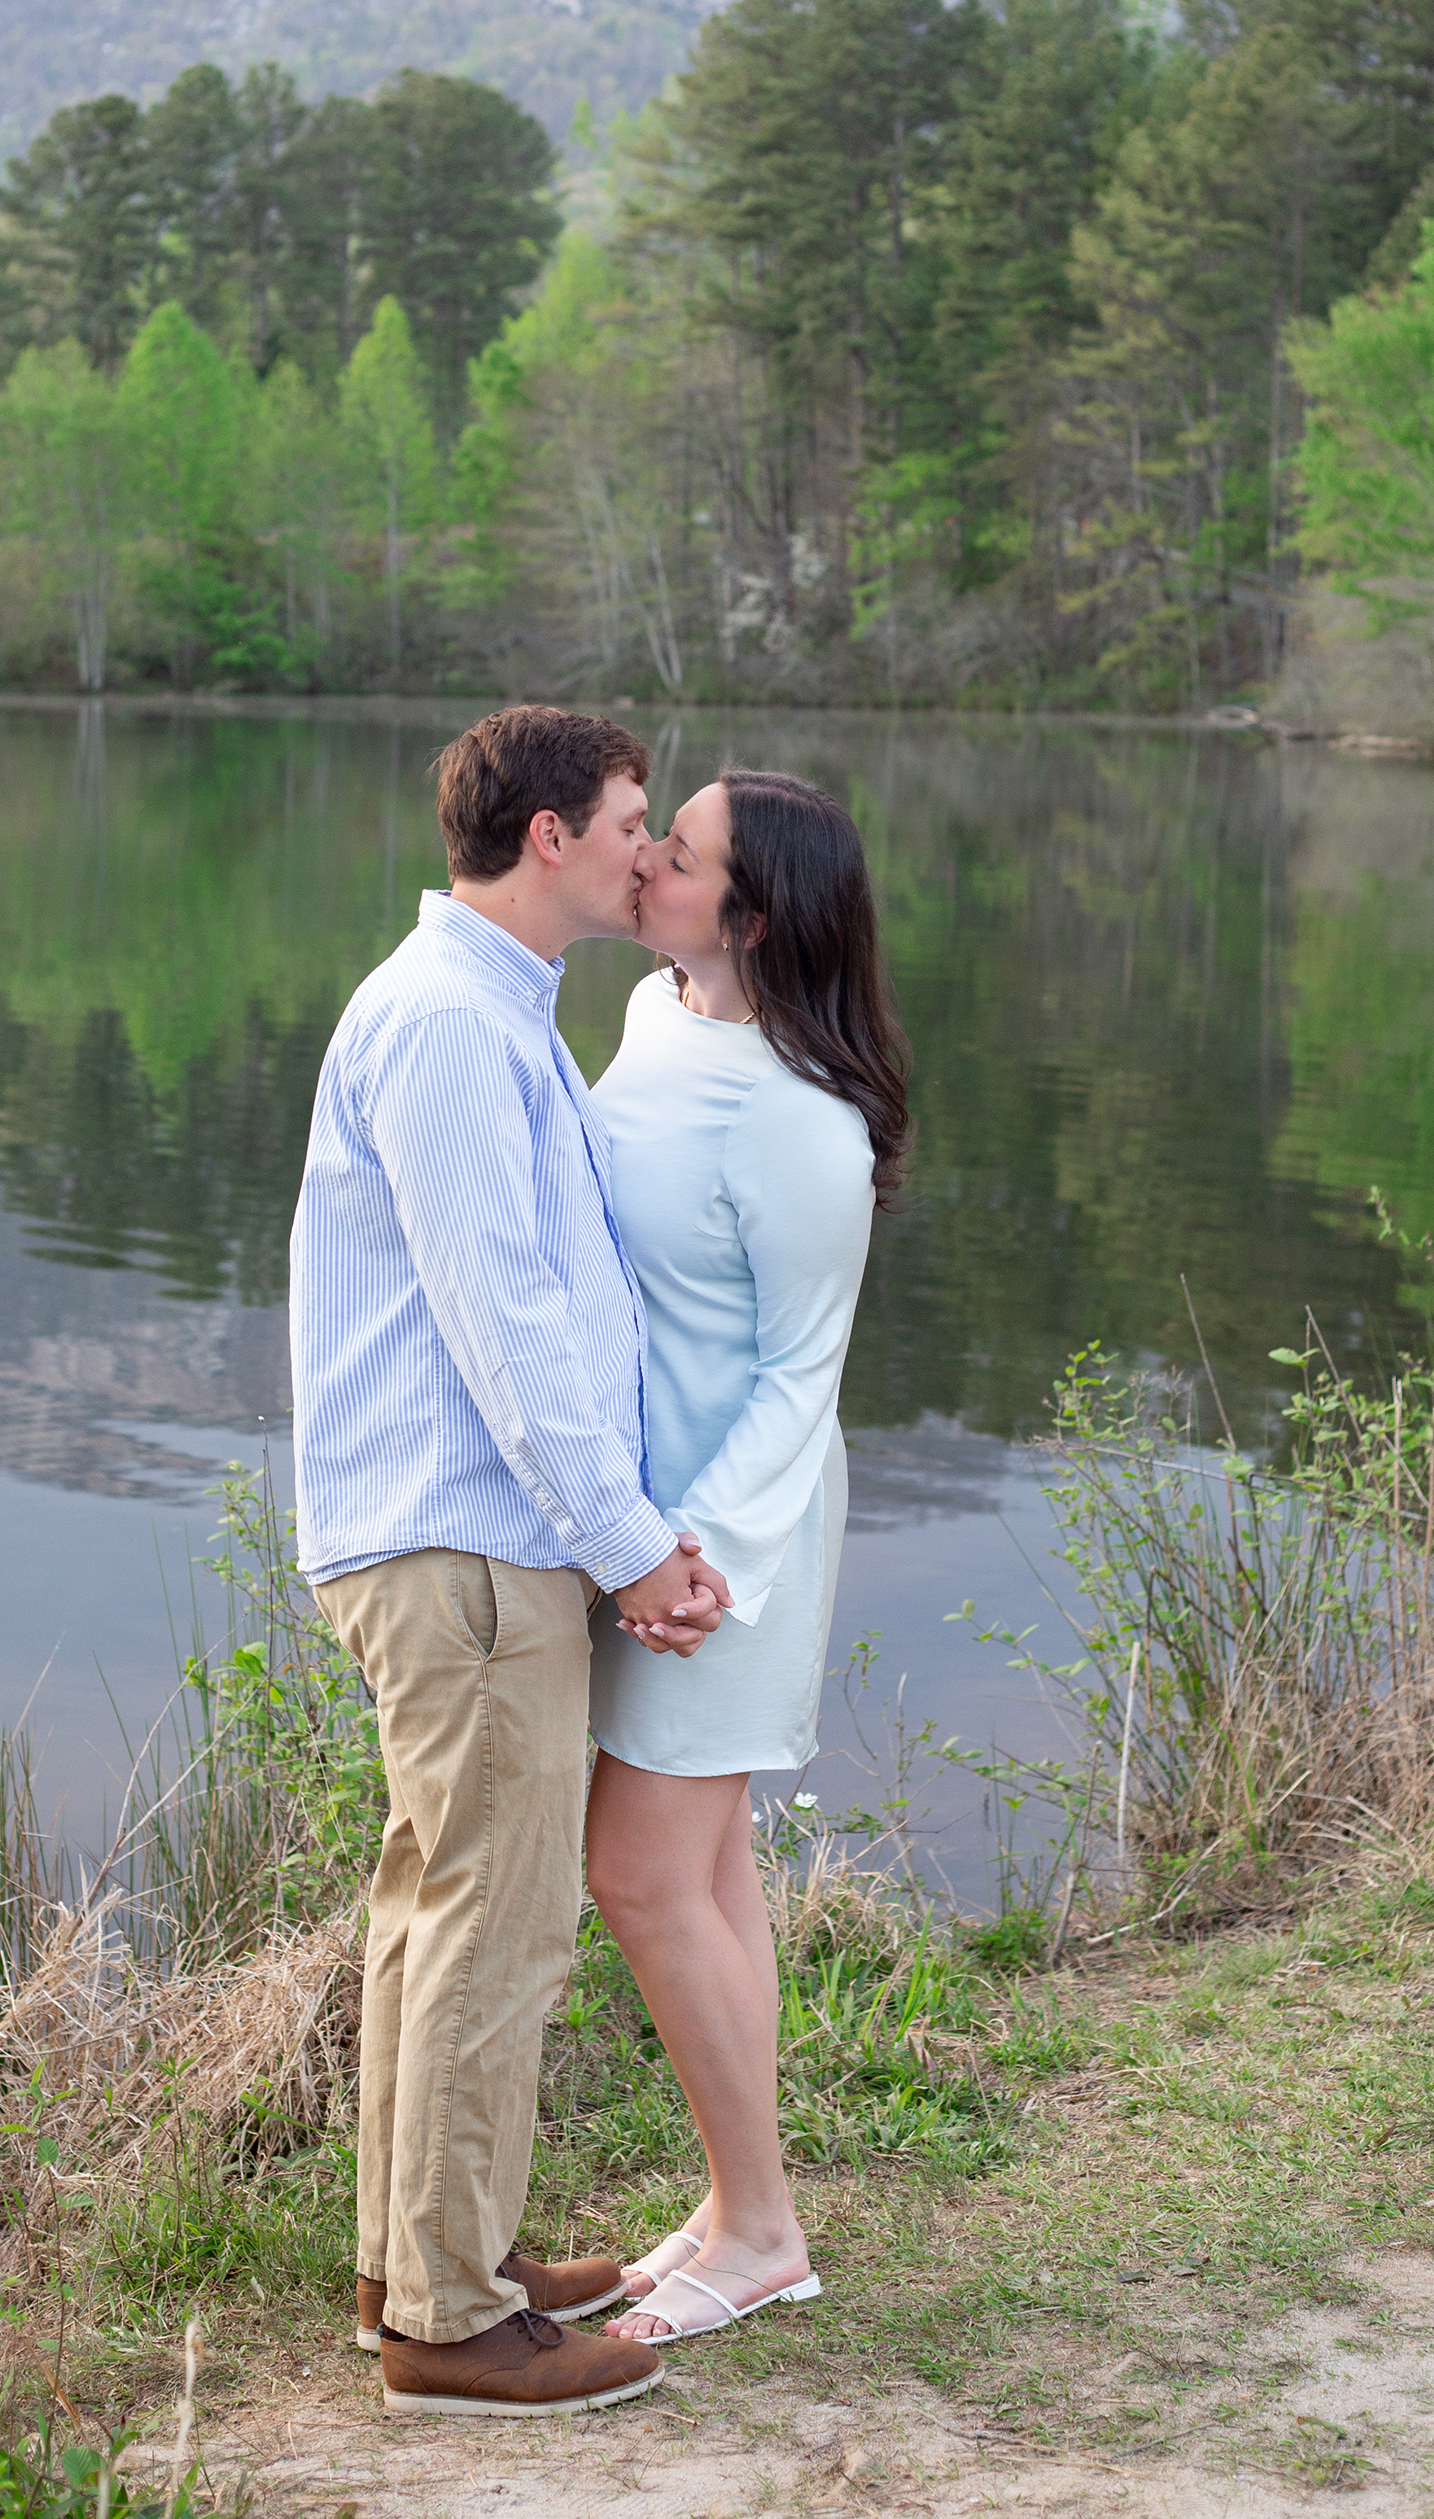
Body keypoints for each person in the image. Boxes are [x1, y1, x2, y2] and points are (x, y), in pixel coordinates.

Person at [287, 704, 731, 2419]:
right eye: (631, 817)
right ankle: (452, 2325)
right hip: (469, 1546)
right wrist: (631, 1549)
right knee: (496, 1925)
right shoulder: (453, 1030)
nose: (649, 849)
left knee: (434, 1910)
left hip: (465, 1539)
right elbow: (506, 1327)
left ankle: (422, 2263)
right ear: (547, 834)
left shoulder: (493, 1014)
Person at [584, 769, 912, 2346]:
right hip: (643, 1539)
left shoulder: (801, 1122)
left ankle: (766, 2229)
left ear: (754, 915)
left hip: (725, 1552)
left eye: (682, 852)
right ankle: (735, 2204)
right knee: (709, 1876)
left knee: (637, 1873)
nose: (645, 859)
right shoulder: (659, 1013)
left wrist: (695, 1560)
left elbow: (803, 1371)